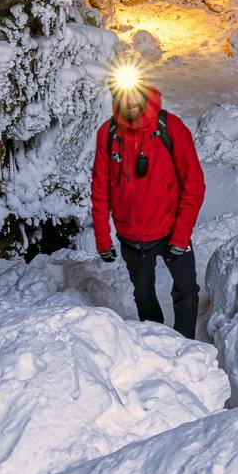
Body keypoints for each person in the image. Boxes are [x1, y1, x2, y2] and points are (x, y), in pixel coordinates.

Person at [91, 68, 206, 338]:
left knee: (187, 290)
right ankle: (156, 345)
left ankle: (185, 344)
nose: (130, 101)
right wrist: (102, 238)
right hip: (130, 235)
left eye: (134, 94)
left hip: (170, 230)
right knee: (143, 295)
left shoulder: (170, 127)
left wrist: (180, 236)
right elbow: (100, 189)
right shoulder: (108, 134)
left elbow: (194, 185)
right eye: (123, 96)